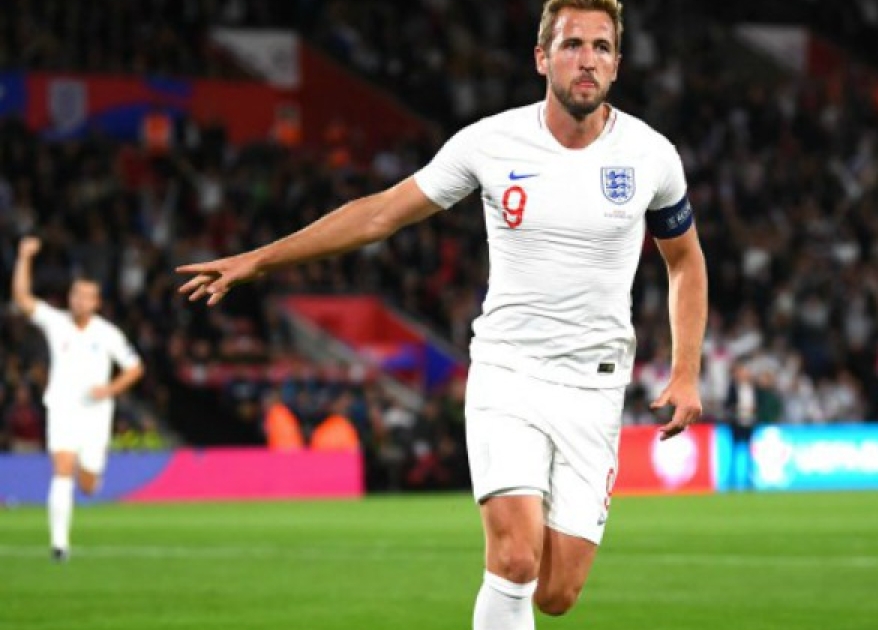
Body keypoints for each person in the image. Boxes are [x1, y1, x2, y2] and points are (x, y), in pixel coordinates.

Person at [175, 1, 707, 627]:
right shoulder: (490, 143)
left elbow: (685, 261)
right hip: (509, 373)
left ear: (617, 64)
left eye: (601, 47)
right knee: (514, 559)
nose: (586, 60)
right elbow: (380, 214)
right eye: (571, 45)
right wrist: (260, 260)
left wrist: (685, 372)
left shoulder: (651, 156)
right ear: (542, 58)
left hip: (594, 386)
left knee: (557, 593)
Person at [12, 236, 145, 562]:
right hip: (62, 407)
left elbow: (135, 367)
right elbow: (22, 298)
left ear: (96, 302)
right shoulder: (56, 322)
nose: (79, 301)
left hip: (96, 413)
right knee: (62, 469)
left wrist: (110, 390)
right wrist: (24, 256)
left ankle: (87, 479)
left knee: (87, 484)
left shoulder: (107, 333)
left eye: (86, 296)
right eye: (75, 294)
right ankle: (59, 545)